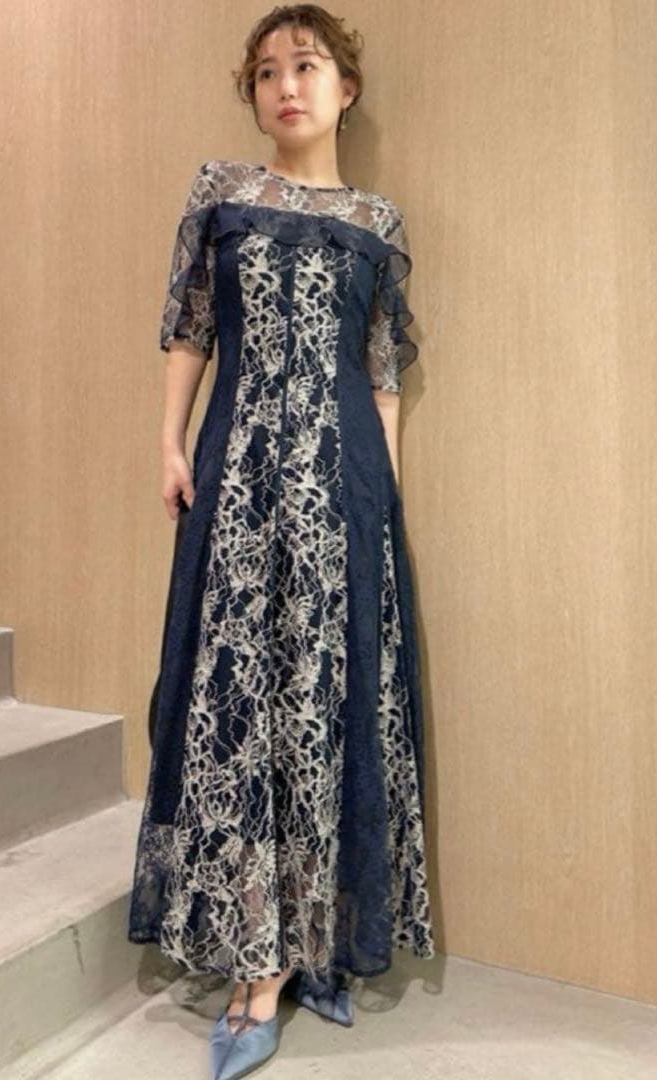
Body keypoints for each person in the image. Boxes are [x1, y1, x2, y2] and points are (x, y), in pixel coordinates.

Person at [128, 5, 434, 1077]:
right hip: (240, 480)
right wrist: (171, 447)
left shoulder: (376, 221)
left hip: (345, 493)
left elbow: (382, 378)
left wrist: (382, 500)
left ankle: (315, 944)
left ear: (346, 89)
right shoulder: (222, 195)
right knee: (237, 705)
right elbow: (191, 331)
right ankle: (253, 964)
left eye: (306, 66)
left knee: (324, 705)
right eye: (266, 72)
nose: (286, 86)